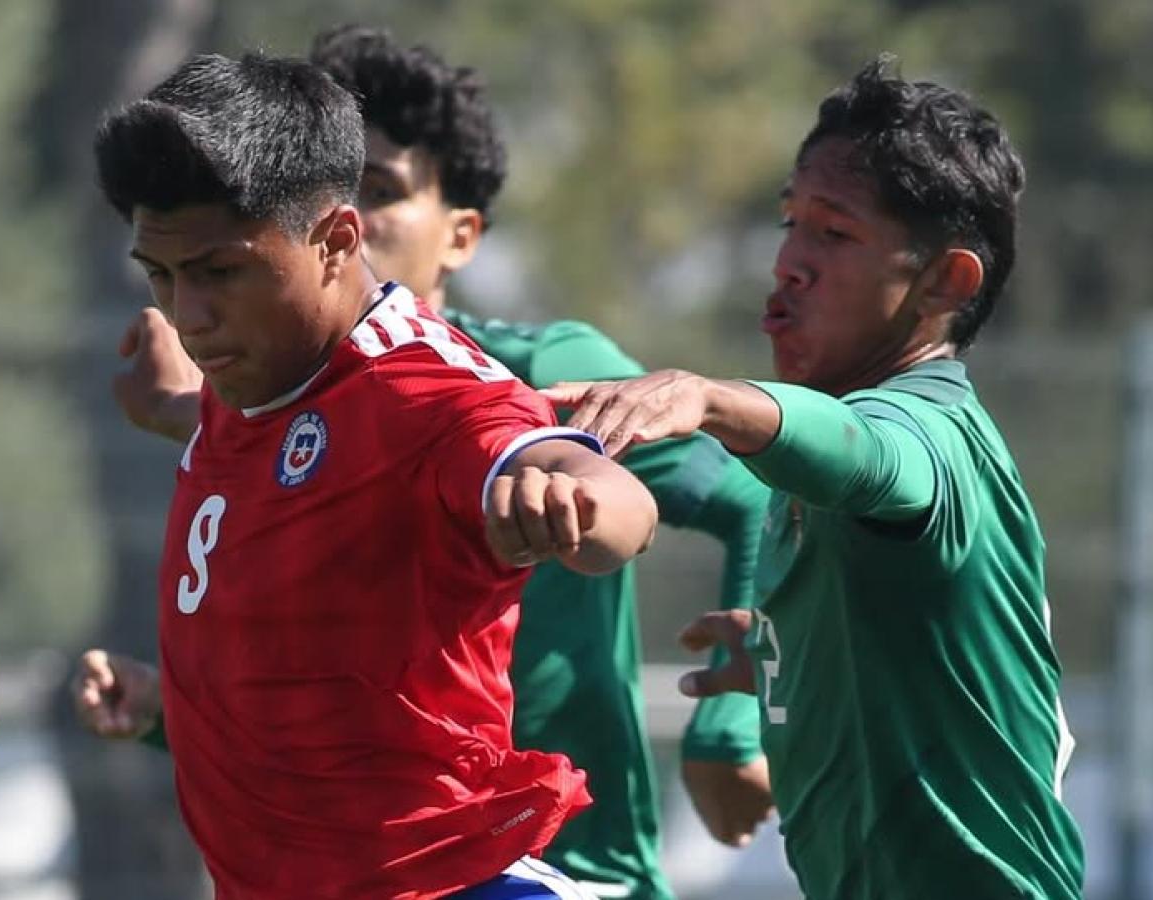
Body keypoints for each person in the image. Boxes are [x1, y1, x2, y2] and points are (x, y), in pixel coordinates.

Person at [73, 25, 775, 899]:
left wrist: (583, 508)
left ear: (336, 240)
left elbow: (602, 491)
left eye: (218, 271)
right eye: (161, 277)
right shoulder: (262, 372)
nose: (190, 314)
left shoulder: (429, 388)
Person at [542, 56, 1086, 899]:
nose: (787, 262)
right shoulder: (817, 472)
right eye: (789, 221)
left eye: (832, 233)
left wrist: (710, 397)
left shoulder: (931, 430)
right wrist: (789, 655)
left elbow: (871, 456)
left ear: (943, 281)